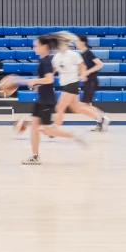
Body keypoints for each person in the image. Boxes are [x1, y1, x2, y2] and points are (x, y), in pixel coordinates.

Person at [17, 34, 79, 164]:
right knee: (34, 128)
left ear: (44, 46)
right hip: (42, 98)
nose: (34, 48)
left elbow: (49, 79)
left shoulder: (46, 61)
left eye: (36, 46)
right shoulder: (45, 60)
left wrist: (31, 81)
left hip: (46, 100)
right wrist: (38, 85)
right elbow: (46, 81)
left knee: (46, 130)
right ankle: (35, 156)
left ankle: (74, 136)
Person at [53, 30, 109, 133]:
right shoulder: (59, 56)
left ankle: (54, 129)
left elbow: (97, 64)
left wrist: (85, 73)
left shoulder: (81, 53)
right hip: (74, 82)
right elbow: (53, 71)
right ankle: (100, 118)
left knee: (61, 106)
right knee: (77, 107)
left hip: (84, 81)